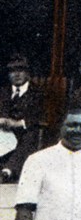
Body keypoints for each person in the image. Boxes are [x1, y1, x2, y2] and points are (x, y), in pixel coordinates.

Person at [0, 54, 45, 182]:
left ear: (28, 73)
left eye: (21, 70)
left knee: (30, 137)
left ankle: (7, 171)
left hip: (26, 131)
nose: (17, 74)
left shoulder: (38, 92)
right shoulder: (3, 92)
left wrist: (19, 123)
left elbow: (43, 116)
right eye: (12, 71)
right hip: (4, 132)